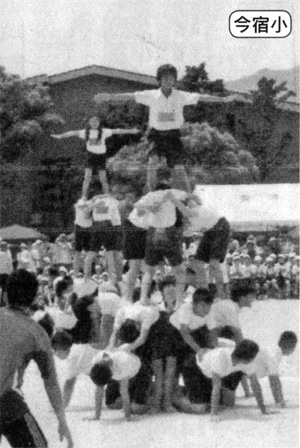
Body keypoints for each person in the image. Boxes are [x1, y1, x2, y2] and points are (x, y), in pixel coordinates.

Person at [94, 64, 238, 192]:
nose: (169, 81)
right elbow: (131, 96)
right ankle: (151, 193)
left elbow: (200, 97)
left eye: (171, 79)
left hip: (173, 136)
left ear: (175, 80)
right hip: (156, 134)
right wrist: (109, 96)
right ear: (159, 80)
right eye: (165, 79)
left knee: (179, 169)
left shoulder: (181, 96)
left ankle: (188, 195)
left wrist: (223, 100)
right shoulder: (151, 95)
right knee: (153, 162)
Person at [0, 269, 73, 448]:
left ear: (6, 295)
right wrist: (62, 420)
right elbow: (51, 382)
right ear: (34, 299)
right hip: (6, 403)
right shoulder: (36, 333)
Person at [51, 115, 139, 197]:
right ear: (89, 122)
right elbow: (73, 133)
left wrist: (131, 131)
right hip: (91, 157)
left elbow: (117, 130)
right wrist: (61, 136)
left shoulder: (104, 131)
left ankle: (107, 195)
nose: (94, 123)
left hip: (101, 157)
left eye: (96, 121)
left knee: (103, 178)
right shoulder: (85, 132)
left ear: (99, 123)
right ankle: (84, 197)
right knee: (87, 178)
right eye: (92, 121)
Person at [166, 191, 230, 300]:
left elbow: (187, 211)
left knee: (214, 263)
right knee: (198, 263)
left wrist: (173, 199)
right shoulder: (189, 222)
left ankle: (221, 294)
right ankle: (204, 291)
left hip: (220, 227)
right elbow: (182, 231)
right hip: (210, 231)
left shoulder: (195, 210)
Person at [196, 339, 260, 421]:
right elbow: (216, 386)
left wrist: (263, 409)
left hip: (220, 370)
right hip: (198, 367)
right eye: (254, 356)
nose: (255, 359)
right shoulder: (220, 358)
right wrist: (214, 414)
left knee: (229, 404)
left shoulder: (245, 362)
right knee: (201, 408)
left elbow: (255, 383)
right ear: (247, 357)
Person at [241, 331, 298, 410]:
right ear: (290, 345)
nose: (294, 350)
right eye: (294, 347)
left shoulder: (275, 350)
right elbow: (274, 380)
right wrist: (280, 401)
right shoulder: (274, 354)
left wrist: (279, 398)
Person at [0, 240, 13, 306]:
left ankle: (1, 301)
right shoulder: (7, 254)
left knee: (1, 288)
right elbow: (9, 263)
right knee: (5, 288)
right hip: (6, 272)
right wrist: (11, 272)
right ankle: (4, 301)